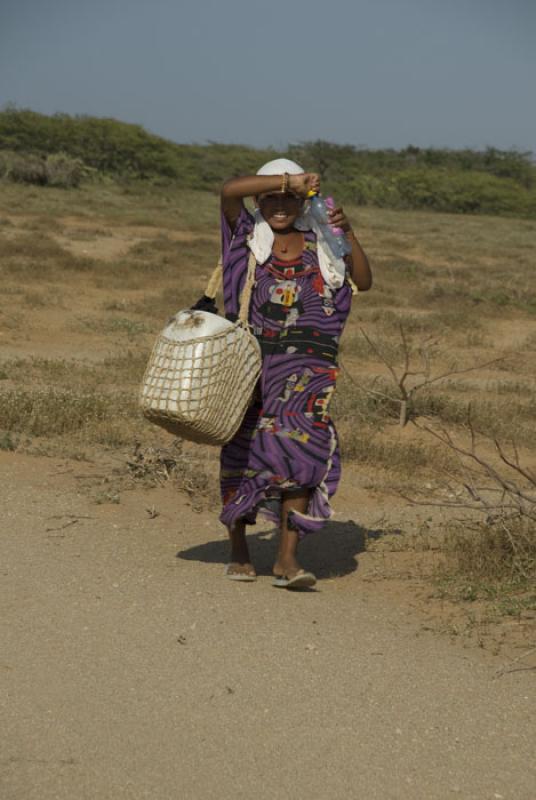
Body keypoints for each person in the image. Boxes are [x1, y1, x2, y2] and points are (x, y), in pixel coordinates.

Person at [219, 158, 372, 589]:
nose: (280, 205)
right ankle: (239, 548)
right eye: (271, 197)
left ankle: (287, 560)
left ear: (305, 203)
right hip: (251, 367)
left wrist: (347, 230)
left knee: (300, 457)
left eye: (290, 198)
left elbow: (364, 279)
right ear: (261, 199)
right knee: (242, 456)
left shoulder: (322, 241)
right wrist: (291, 180)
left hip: (310, 372)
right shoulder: (245, 238)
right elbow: (229, 189)